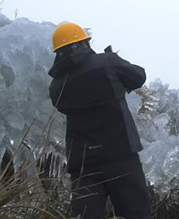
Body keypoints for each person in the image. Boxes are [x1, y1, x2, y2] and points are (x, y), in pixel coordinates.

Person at [47, 22, 151, 219]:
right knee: (136, 213)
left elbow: (63, 105)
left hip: (83, 164)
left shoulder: (56, 86)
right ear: (83, 43)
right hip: (121, 155)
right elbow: (138, 77)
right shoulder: (106, 62)